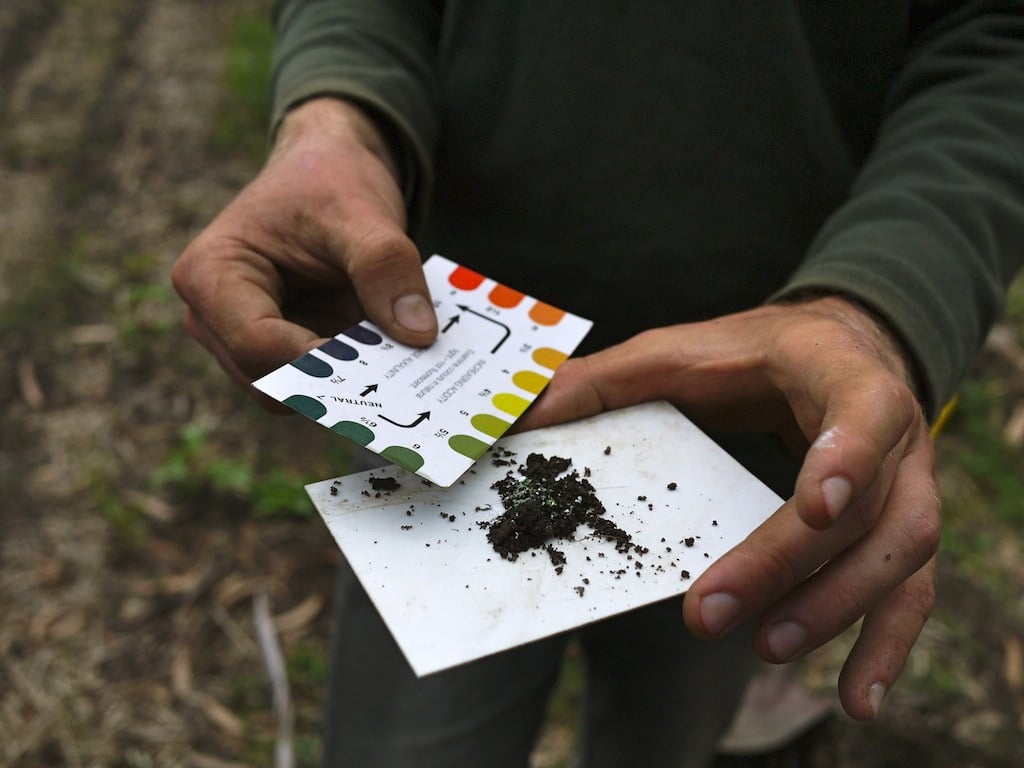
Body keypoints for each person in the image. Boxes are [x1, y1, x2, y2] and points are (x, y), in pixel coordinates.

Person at [172, 3, 1024, 766]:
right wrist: (338, 118)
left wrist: (883, 301)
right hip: (455, 393)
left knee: (669, 727)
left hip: (758, 401)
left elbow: (997, 41)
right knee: (410, 740)